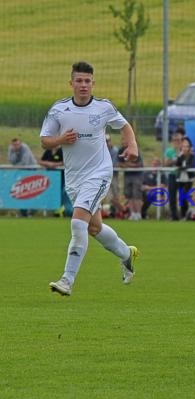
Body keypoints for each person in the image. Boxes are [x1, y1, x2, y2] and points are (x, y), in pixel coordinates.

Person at [41, 61, 139, 296]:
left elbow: (124, 126)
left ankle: (67, 280)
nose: (83, 85)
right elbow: (45, 140)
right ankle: (127, 254)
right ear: (71, 83)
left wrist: (132, 144)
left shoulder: (103, 107)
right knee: (94, 228)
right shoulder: (59, 110)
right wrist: (61, 139)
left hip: (99, 173)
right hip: (74, 177)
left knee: (77, 223)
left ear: (93, 83)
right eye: (79, 80)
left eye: (87, 81)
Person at [38, 144, 73, 217]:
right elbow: (40, 161)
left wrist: (54, 164)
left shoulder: (62, 150)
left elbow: (67, 161)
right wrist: (48, 163)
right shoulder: (48, 151)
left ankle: (68, 211)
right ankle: (57, 212)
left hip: (63, 179)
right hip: (51, 179)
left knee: (64, 194)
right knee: (53, 196)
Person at [8, 138, 38, 217]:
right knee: (21, 192)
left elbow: (25, 162)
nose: (16, 146)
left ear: (21, 143)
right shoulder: (11, 149)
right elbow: (11, 161)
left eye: (18, 144)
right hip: (21, 172)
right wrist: (15, 152)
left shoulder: (25, 147)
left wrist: (15, 166)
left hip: (31, 171)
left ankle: (32, 211)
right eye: (14, 145)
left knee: (32, 191)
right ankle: (23, 212)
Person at [118, 139, 144, 221]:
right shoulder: (121, 150)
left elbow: (140, 164)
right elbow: (120, 163)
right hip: (127, 175)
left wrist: (128, 165)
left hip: (137, 175)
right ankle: (132, 213)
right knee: (129, 195)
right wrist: (128, 165)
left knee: (137, 195)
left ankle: (138, 214)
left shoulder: (135, 150)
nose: (124, 143)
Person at [164, 128, 184, 220]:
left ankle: (183, 214)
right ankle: (174, 215)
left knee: (183, 196)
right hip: (172, 175)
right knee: (172, 196)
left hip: (182, 176)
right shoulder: (169, 151)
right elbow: (166, 163)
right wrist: (175, 159)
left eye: (179, 140)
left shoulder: (184, 150)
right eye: (175, 140)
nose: (176, 142)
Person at [176, 137, 195, 220]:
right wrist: (179, 156)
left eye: (187, 146)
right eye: (184, 146)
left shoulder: (192, 156)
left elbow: (190, 166)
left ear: (189, 147)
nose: (185, 148)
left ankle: (186, 213)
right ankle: (183, 215)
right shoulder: (180, 155)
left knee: (184, 194)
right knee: (181, 196)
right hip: (180, 178)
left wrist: (182, 168)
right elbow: (177, 165)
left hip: (189, 179)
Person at [104, 134, 124, 218]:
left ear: (110, 141)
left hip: (114, 176)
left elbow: (117, 164)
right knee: (110, 197)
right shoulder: (101, 151)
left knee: (116, 195)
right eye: (105, 141)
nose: (107, 143)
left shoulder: (116, 151)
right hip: (104, 177)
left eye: (108, 141)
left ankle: (118, 213)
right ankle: (123, 209)